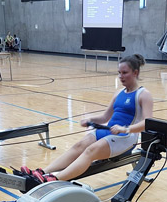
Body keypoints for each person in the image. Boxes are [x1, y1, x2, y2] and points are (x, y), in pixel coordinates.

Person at [20, 54, 153, 185]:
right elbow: (105, 117)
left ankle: (54, 179)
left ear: (135, 73)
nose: (120, 76)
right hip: (109, 132)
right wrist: (90, 119)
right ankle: (43, 172)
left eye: (125, 73)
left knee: (90, 151)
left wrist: (125, 129)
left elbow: (147, 123)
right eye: (119, 73)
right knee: (79, 146)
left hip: (126, 137)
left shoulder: (143, 94)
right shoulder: (119, 93)